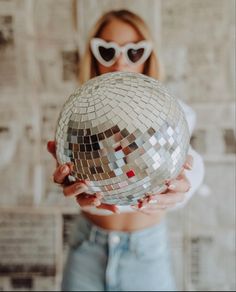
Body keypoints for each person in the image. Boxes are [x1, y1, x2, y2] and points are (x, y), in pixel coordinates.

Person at [47, 9, 204, 291]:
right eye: (107, 50)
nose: (120, 61)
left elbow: (194, 165)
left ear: (148, 57)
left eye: (134, 52)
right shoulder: (76, 117)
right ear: (93, 57)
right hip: (86, 247)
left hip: (147, 254)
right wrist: (71, 183)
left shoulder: (173, 114)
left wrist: (182, 187)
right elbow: (70, 175)